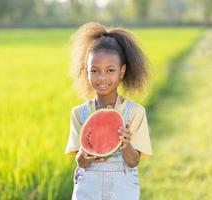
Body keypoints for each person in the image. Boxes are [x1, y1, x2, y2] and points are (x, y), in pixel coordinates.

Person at [65, 22, 153, 200]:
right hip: (87, 188)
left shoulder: (135, 112)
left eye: (110, 70)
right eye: (95, 71)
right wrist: (84, 156)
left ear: (122, 71)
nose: (102, 77)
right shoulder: (79, 113)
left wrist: (126, 145)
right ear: (86, 72)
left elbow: (133, 161)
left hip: (122, 189)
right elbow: (80, 161)